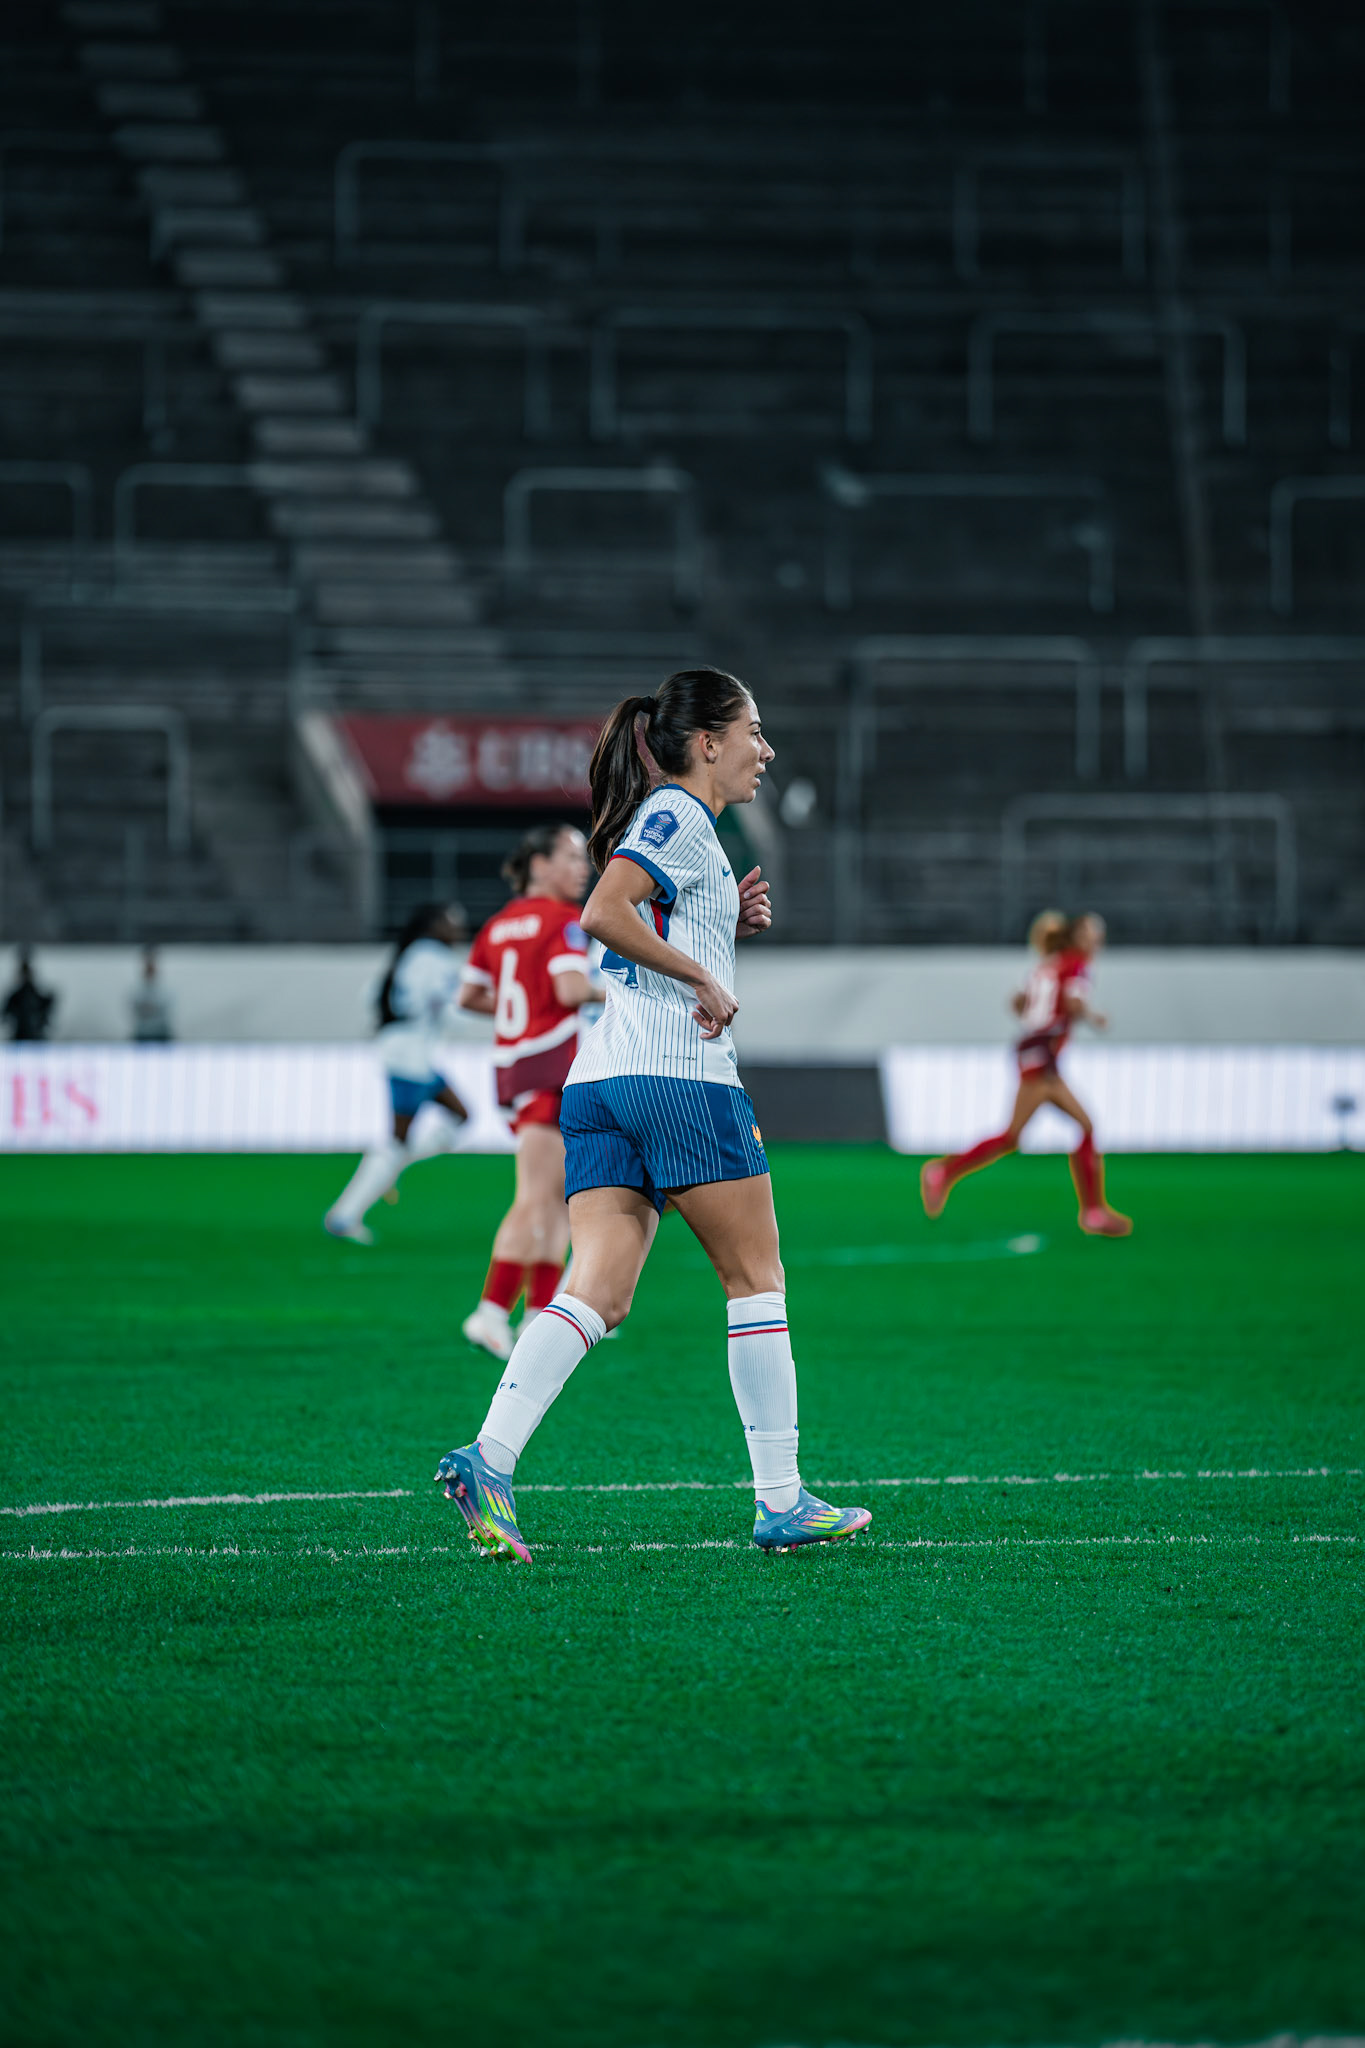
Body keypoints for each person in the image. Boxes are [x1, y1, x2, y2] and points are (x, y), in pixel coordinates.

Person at [434, 666, 872, 1559]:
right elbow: (603, 910)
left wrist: (716, 929)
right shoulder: (676, 816)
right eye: (754, 731)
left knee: (598, 1292)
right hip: (681, 1081)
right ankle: (781, 1500)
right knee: (757, 1282)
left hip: (599, 1087)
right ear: (706, 741)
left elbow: (635, 923)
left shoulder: (677, 828)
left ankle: (489, 1458)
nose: (766, 749)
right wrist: (705, 973)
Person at [458, 822, 595, 1361]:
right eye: (571, 857)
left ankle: (542, 1314)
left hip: (514, 1067)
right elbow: (570, 989)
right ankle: (491, 1311)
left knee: (556, 1197)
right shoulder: (565, 921)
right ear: (539, 866)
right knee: (538, 1196)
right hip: (550, 1066)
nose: (582, 868)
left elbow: (471, 995)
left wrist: (522, 1010)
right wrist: (627, 993)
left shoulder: (497, 925)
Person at [920, 909, 1132, 1237]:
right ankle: (943, 1171)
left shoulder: (1046, 965)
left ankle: (1093, 1210)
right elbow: (1073, 1003)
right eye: (1092, 933)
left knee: (1043, 1132)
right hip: (1041, 1054)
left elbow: (1016, 1003)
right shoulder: (1076, 964)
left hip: (1033, 1050)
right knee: (1028, 1133)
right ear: (1078, 936)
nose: (1097, 940)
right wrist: (1093, 1016)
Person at [324, 904, 470, 1245]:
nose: (458, 927)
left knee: (460, 1116)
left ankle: (390, 1166)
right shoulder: (435, 957)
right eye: (451, 920)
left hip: (404, 1051)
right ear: (434, 925)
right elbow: (447, 1005)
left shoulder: (408, 954)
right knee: (398, 1140)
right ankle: (344, 1215)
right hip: (412, 1057)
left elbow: (370, 996)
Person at [3, 949, 55, 1042]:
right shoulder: (16, 996)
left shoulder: (29, 994)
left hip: (33, 1036)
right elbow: (5, 1015)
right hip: (22, 1036)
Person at [129, 945, 174, 1043]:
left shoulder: (166, 991)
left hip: (160, 1033)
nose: (150, 968)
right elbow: (135, 1009)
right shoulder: (136, 991)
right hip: (142, 1034)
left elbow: (165, 1010)